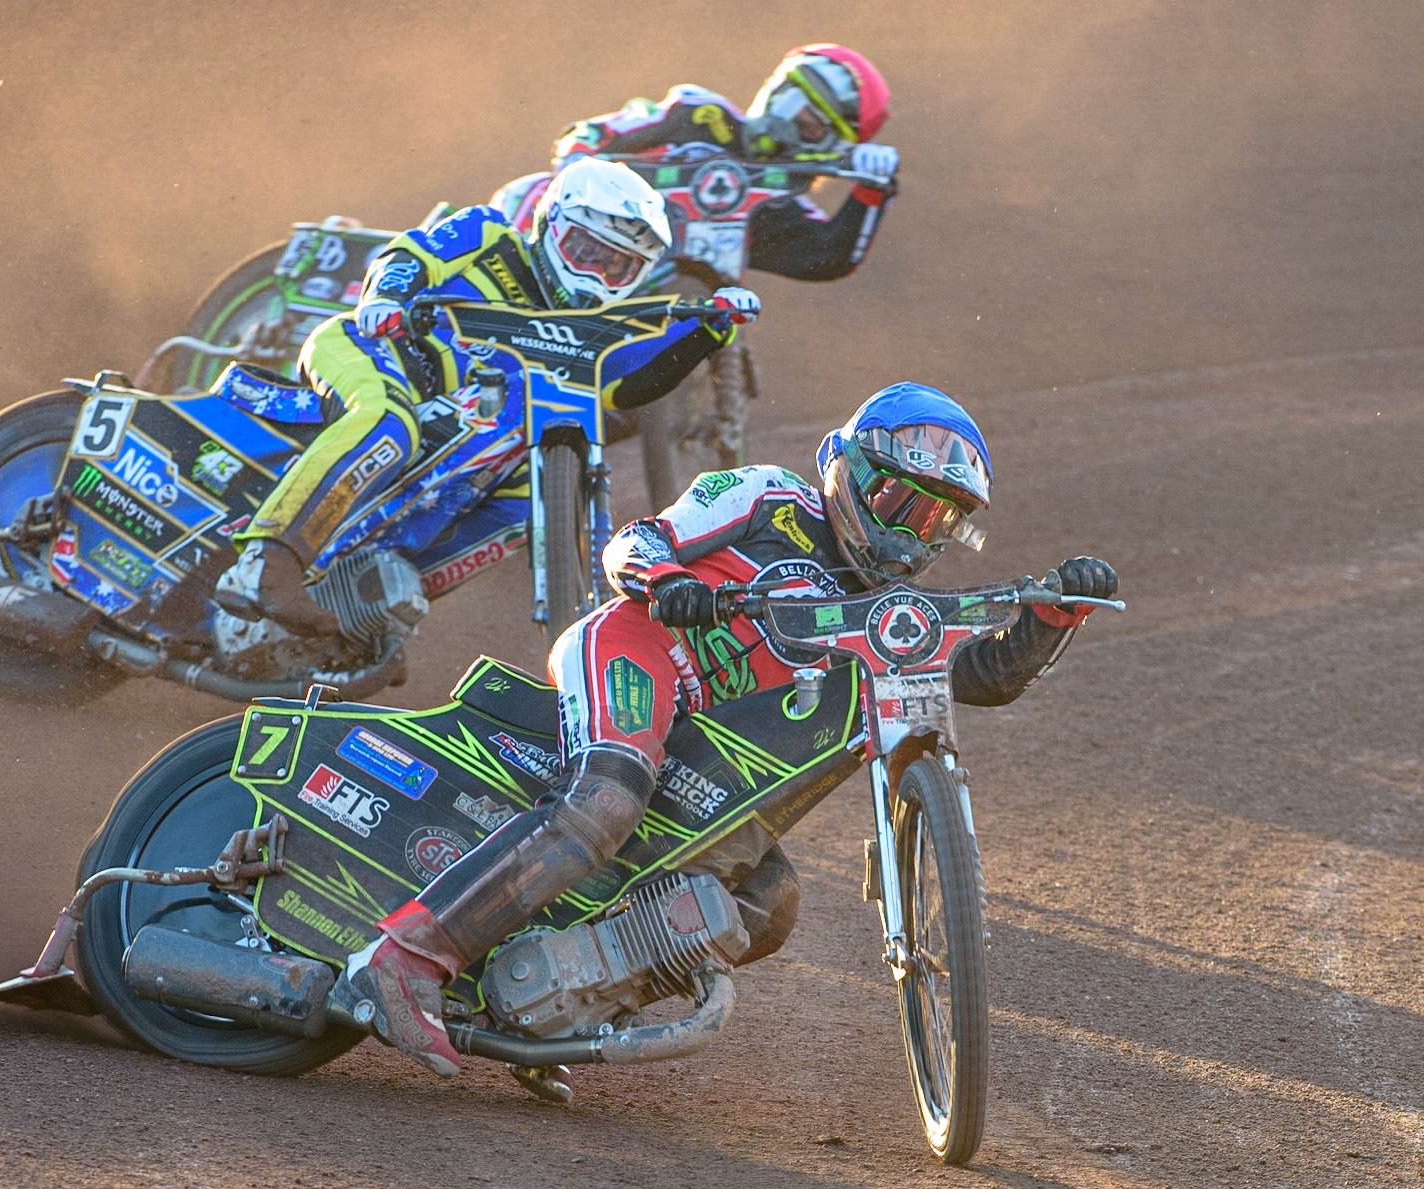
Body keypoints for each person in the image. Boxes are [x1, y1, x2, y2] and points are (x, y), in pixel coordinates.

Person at [345, 381, 1119, 1076]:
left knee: (767, 899)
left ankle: (550, 1009)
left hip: (703, 747)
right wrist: (671, 583)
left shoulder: (883, 621)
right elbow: (637, 541)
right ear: (847, 469)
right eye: (900, 505)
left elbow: (980, 676)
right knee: (606, 801)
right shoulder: (767, 495)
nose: (913, 535)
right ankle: (406, 955)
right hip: (638, 649)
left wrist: (1051, 618)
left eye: (937, 519)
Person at [216, 157, 762, 637]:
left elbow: (625, 385)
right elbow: (412, 254)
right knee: (390, 421)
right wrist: (386, 297)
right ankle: (268, 563)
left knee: (523, 504)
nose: (596, 275)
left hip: (466, 423)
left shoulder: (585, 325)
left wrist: (707, 331)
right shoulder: (490, 234)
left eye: (617, 266)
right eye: (585, 251)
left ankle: (370, 609)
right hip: (375, 353)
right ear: (551, 225)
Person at [491, 43, 900, 295]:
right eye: (799, 113)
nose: (792, 131)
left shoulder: (777, 203)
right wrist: (579, 161)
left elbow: (828, 257)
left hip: (663, 300)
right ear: (781, 90)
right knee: (527, 192)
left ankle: (706, 412)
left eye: (812, 132)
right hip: (578, 238)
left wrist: (872, 190)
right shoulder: (700, 114)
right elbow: (594, 134)